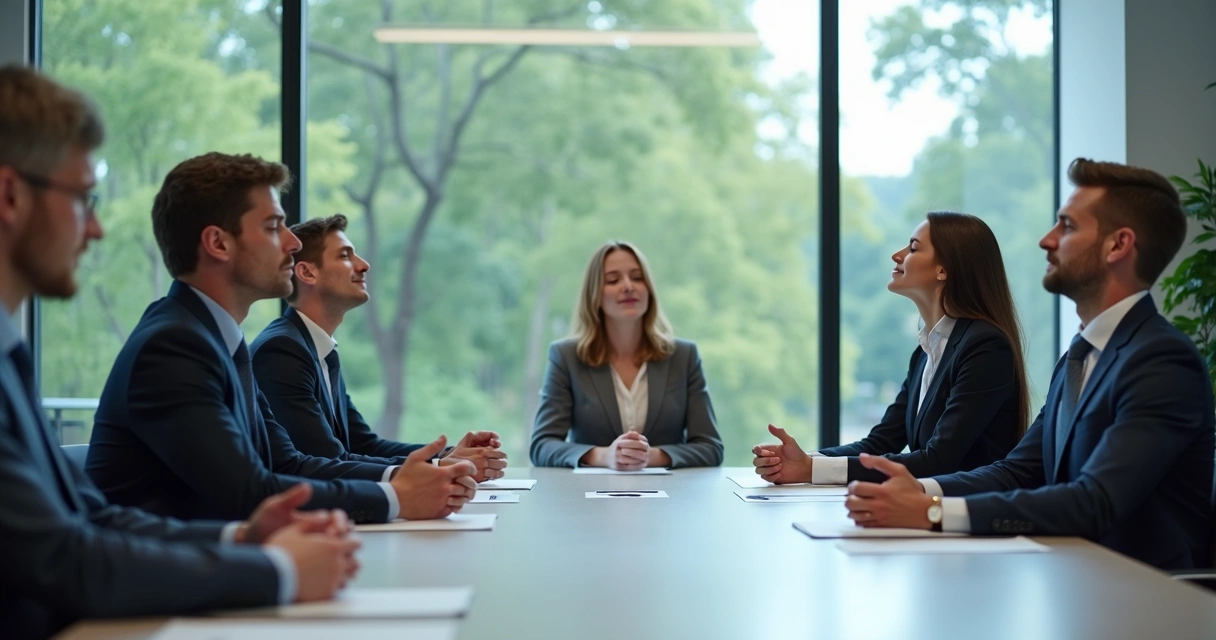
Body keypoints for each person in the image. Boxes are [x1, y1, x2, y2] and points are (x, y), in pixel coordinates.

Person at [0, 65, 360, 640]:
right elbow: (68, 559)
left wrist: (241, 540)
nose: (95, 229)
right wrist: (276, 569)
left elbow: (92, 519)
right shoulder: (174, 343)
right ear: (12, 195)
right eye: (82, 198)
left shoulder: (9, 354)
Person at [843, 158, 1215, 570]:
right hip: (1075, 583)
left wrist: (932, 512)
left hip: (1146, 603)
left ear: (1118, 245)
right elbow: (1016, 472)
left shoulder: (1161, 361)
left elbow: (1094, 501)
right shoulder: (1078, 357)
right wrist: (918, 491)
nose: (1046, 240)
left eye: (1067, 226)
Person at [86, 151, 477, 525]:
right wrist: (396, 497)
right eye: (273, 227)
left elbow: (287, 464)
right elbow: (248, 492)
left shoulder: (220, 340)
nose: (292, 242)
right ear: (218, 243)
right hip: (170, 580)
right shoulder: (173, 347)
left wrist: (407, 480)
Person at [752, 211, 1028, 484]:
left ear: (943, 269)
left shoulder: (985, 347)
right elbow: (880, 443)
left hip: (970, 519)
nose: (897, 255)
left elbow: (938, 460)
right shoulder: (926, 352)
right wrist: (805, 460)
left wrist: (811, 468)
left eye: (913, 248)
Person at [250, 214, 507, 481]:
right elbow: (328, 460)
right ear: (306, 272)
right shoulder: (282, 351)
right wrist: (439, 468)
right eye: (345, 256)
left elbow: (364, 445)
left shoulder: (317, 349)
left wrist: (449, 455)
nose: (364, 265)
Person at [530, 241, 724, 469]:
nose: (628, 286)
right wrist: (603, 456)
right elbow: (542, 446)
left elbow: (711, 447)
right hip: (589, 499)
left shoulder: (684, 356)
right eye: (613, 280)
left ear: (649, 289)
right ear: (594, 294)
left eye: (637, 277)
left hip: (672, 499)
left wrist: (650, 456)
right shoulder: (566, 357)